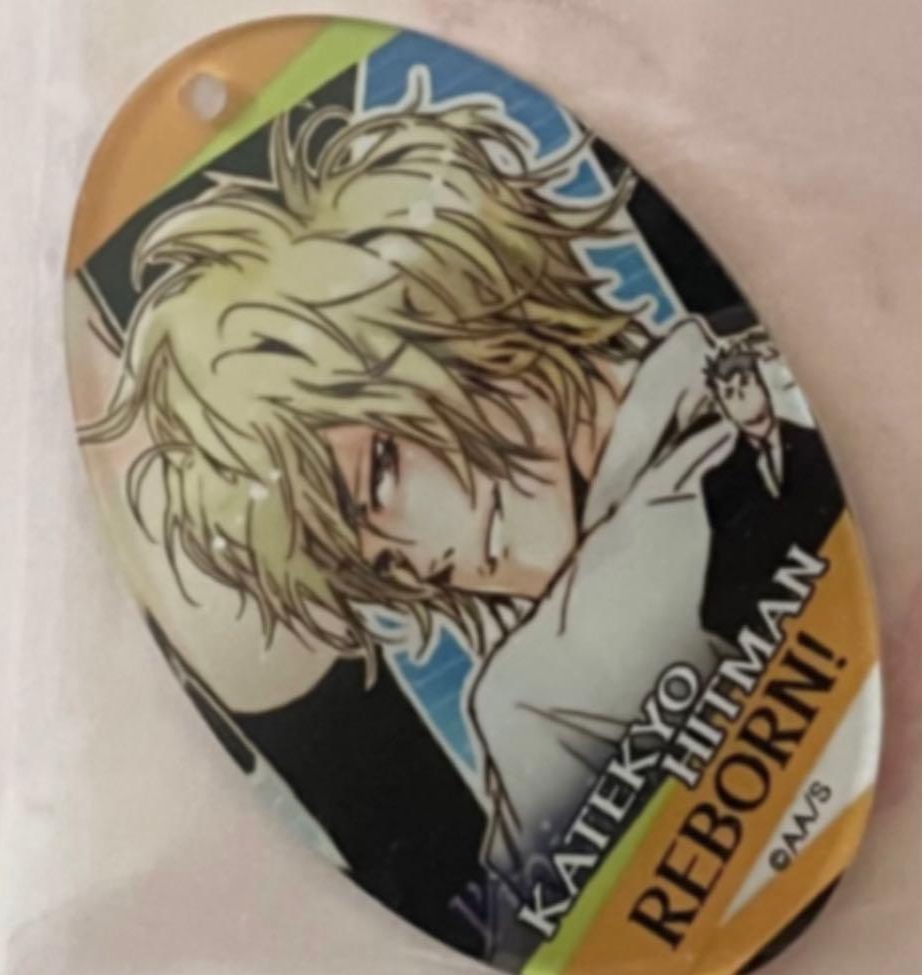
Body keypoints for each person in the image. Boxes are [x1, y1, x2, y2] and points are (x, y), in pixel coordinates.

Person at [80, 86, 790, 916]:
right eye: (380, 564)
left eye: (380, 473)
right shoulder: (539, 688)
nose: (421, 558)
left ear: (465, 308)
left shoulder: (533, 696)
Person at [699, 341, 844, 644]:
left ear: (762, 382)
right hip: (796, 633)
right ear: (722, 408)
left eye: (744, 382)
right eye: (728, 393)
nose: (740, 395)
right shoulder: (720, 483)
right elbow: (720, 600)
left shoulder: (819, 441)